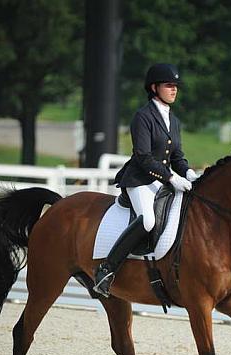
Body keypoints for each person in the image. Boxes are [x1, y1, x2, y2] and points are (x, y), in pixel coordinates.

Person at [93, 63, 199, 297]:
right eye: (169, 85)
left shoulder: (174, 120)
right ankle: (106, 269)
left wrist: (189, 174)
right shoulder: (143, 117)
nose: (174, 90)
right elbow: (143, 157)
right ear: (154, 87)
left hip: (161, 180)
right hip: (139, 179)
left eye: (175, 86)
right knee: (148, 221)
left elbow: (177, 156)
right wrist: (171, 177)